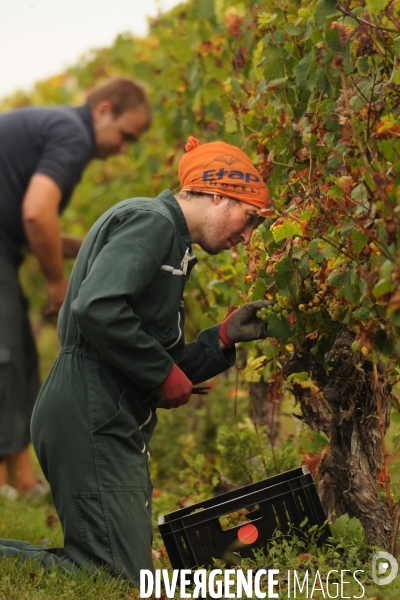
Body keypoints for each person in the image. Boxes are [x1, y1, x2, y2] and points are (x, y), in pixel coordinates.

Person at [0, 136, 272, 584]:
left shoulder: (171, 243)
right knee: (112, 575)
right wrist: (162, 372)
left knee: (119, 568)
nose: (246, 237)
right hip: (89, 412)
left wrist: (221, 339)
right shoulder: (153, 222)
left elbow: (144, 353)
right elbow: (98, 308)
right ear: (221, 195)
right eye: (249, 219)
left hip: (106, 411)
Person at [0, 77, 151, 499]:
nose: (123, 149)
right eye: (125, 137)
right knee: (4, 358)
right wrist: (56, 284)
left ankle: (23, 480)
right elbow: (36, 214)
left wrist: (92, 246)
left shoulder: (58, 128)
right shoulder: (72, 133)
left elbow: (35, 229)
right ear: (103, 110)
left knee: (19, 355)